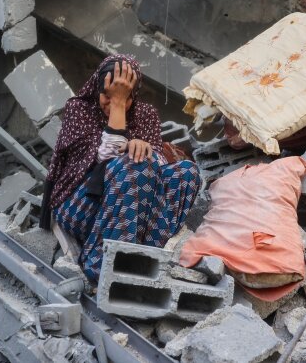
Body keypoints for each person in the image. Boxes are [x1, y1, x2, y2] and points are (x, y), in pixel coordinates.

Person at [40, 54, 200, 281]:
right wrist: (118, 109)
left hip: (131, 214)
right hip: (81, 206)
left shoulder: (146, 115)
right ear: (97, 89)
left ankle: (145, 257)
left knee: (186, 172)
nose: (115, 103)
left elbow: (159, 168)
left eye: (125, 98)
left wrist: (146, 149)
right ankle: (102, 264)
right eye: (108, 95)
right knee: (132, 165)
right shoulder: (79, 110)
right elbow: (103, 159)